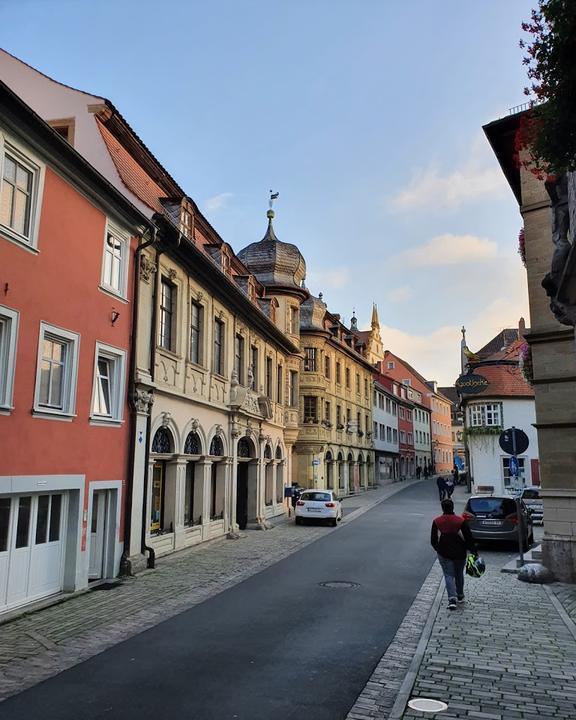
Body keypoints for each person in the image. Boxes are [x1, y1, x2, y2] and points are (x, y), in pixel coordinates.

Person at [431, 498, 477, 610]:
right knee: (459, 574)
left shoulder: (437, 521)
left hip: (444, 552)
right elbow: (468, 537)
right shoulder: (460, 521)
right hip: (460, 552)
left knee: (448, 575)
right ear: (453, 507)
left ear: (443, 508)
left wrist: (438, 549)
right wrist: (473, 551)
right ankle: (460, 595)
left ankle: (452, 599)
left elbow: (433, 540)